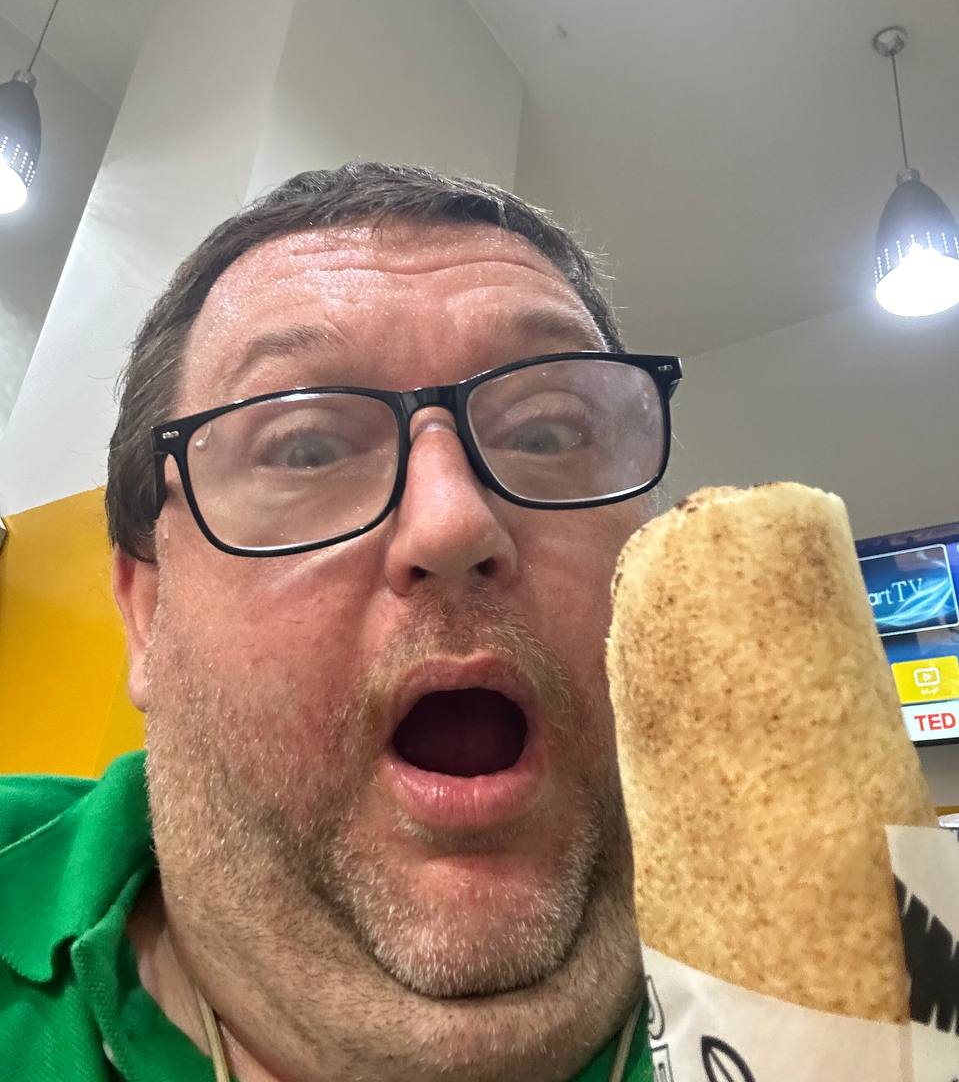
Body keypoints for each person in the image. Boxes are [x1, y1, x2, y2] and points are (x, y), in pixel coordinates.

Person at [0, 163, 682, 1082]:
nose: (452, 523)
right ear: (148, 610)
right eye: (307, 447)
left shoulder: (864, 957)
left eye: (545, 433)